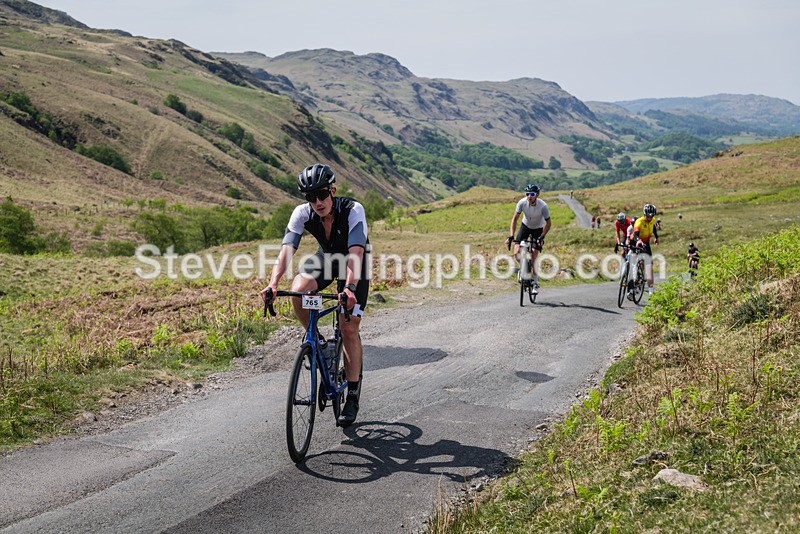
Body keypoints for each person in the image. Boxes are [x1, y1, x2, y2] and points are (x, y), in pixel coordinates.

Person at [261, 163, 369, 427]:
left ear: (332, 191)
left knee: (348, 328)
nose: (317, 201)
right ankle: (318, 342)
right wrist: (273, 284)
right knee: (297, 291)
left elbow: (356, 253)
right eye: (311, 197)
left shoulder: (353, 210)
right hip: (326, 259)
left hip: (355, 265)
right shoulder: (302, 213)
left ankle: (352, 393)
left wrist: (350, 288)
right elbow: (286, 251)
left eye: (321, 194)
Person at [506, 184, 551, 294]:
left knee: (535, 255)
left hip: (538, 229)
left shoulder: (543, 206)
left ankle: (535, 283)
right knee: (516, 252)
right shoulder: (522, 203)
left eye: (532, 194)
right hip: (525, 227)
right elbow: (514, 220)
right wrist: (511, 235)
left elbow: (548, 224)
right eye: (527, 194)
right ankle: (522, 269)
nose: (529, 196)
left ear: (537, 195)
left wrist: (542, 237)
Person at [633, 203, 659, 296]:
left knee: (649, 266)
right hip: (636, 242)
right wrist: (638, 240)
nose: (649, 218)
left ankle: (651, 291)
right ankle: (633, 280)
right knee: (634, 262)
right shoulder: (639, 222)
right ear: (644, 214)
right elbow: (635, 234)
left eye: (652, 216)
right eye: (648, 216)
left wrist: (656, 237)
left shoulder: (653, 220)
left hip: (646, 243)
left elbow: (654, 228)